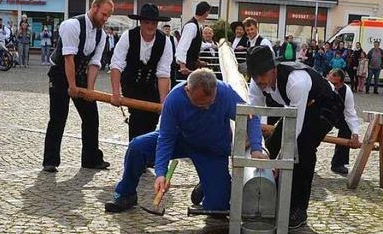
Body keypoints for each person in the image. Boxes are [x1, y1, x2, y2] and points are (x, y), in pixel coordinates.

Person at [104, 68, 266, 213]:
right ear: (188, 91)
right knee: (137, 146)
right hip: (179, 140)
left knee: (218, 207)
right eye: (202, 105)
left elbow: (251, 116)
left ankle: (208, 183)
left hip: (211, 149)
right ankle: (126, 193)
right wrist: (160, 173)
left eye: (211, 103)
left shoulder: (225, 93)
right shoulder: (174, 99)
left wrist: (256, 148)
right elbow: (165, 138)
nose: (207, 108)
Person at [247, 46, 346, 228]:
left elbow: (295, 129)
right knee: (272, 143)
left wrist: (279, 161)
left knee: (302, 149)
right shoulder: (257, 82)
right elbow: (254, 113)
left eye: (262, 75)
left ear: (273, 70)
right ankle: (269, 195)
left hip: (326, 105)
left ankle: (298, 209)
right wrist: (255, 144)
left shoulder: (296, 81)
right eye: (254, 76)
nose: (258, 80)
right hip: (299, 107)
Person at [42, 0, 114, 173]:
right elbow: (68, 59)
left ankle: (90, 159)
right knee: (58, 117)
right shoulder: (71, 25)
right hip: (60, 75)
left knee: (91, 117)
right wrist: (72, 86)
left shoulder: (101, 35)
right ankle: (50, 161)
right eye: (103, 14)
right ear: (94, 8)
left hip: (81, 75)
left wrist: (89, 90)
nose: (105, 19)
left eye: (108, 16)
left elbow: (94, 64)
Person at [110, 3, 172, 141]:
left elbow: (163, 74)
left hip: (152, 87)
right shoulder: (128, 36)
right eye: (146, 22)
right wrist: (115, 93)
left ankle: (147, 158)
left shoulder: (165, 42)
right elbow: (116, 64)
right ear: (140, 22)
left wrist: (163, 103)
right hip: (131, 85)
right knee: (138, 120)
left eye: (153, 22)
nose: (150, 26)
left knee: (151, 121)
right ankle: (135, 155)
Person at [327, 69, 361, 175]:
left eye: (335, 84)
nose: (332, 86)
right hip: (320, 115)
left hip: (337, 114)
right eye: (330, 82)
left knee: (347, 128)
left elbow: (350, 114)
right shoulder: (320, 86)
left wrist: (355, 133)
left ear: (342, 83)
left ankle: (338, 163)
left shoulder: (347, 91)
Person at [175, 1, 211, 80]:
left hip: (191, 65)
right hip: (186, 68)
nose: (207, 16)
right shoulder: (192, 26)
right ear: (205, 13)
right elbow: (182, 46)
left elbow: (196, 45)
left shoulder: (198, 26)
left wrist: (197, 60)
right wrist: (182, 66)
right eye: (208, 13)